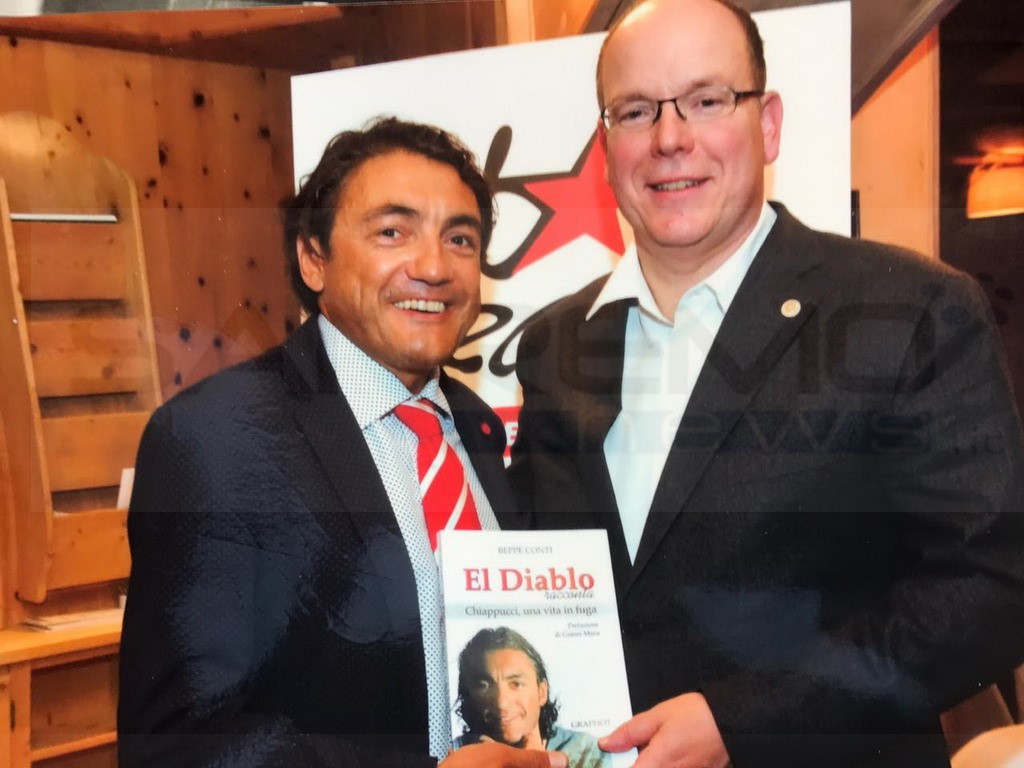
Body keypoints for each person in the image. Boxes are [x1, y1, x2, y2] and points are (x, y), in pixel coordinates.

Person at [509, 1, 1024, 767]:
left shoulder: (911, 311)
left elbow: (992, 588)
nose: (669, 138)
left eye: (707, 100)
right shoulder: (555, 342)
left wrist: (742, 722)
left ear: (769, 123)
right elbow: (540, 571)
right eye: (636, 110)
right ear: (606, 145)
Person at [119, 117, 565, 768]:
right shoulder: (213, 440)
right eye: (393, 232)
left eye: (460, 239)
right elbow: (179, 745)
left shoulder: (476, 428)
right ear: (313, 258)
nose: (434, 266)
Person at [453, 627, 612, 768]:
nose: (502, 702)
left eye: (515, 684)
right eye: (484, 686)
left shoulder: (585, 751)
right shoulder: (456, 756)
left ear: (542, 692)